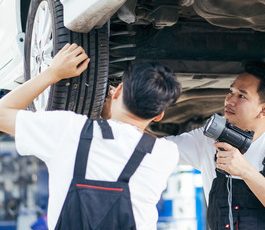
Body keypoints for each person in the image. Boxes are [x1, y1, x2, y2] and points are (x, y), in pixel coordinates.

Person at [0, 43, 181, 230]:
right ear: (158, 115)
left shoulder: (69, 130)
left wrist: (53, 73)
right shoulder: (166, 153)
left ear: (117, 90)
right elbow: (134, 135)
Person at [165, 62, 265, 230]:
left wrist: (245, 171)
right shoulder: (208, 139)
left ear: (264, 110)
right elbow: (156, 150)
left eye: (241, 96)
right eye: (231, 92)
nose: (230, 100)